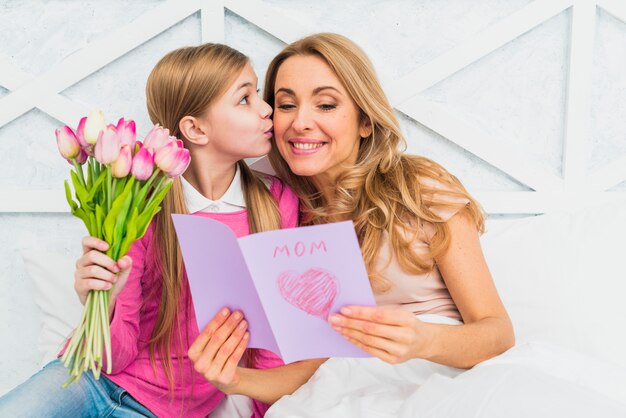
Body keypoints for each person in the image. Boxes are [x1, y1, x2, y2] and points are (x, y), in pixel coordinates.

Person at [0, 43, 323, 418]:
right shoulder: (142, 203)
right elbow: (113, 356)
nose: (267, 108)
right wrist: (102, 303)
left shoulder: (275, 203)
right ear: (196, 129)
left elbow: (271, 341)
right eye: (245, 99)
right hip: (85, 378)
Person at [262, 32, 515, 370]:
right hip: (341, 392)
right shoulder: (279, 208)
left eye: (326, 104)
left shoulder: (418, 189)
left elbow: (499, 333)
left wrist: (425, 339)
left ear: (365, 121)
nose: (300, 122)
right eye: (286, 105)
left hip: (438, 379)